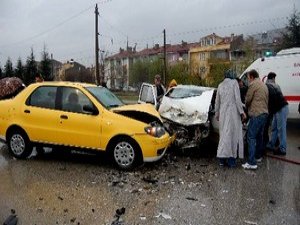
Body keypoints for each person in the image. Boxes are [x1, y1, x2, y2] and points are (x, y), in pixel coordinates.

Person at [215, 70, 246, 167]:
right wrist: (242, 112)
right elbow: (237, 99)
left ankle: (221, 160)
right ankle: (231, 160)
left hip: (223, 113)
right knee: (232, 136)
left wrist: (217, 113)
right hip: (232, 113)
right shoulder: (234, 83)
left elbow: (217, 101)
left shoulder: (220, 85)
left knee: (223, 135)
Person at [242, 69, 269, 170]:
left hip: (256, 113)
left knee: (251, 136)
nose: (248, 80)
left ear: (252, 77)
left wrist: (245, 107)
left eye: (248, 78)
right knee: (259, 136)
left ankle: (251, 162)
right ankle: (258, 156)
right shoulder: (263, 85)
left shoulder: (253, 84)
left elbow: (248, 99)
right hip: (264, 113)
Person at [265, 72, 289, 155]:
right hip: (279, 109)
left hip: (281, 108)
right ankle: (271, 144)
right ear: (273, 78)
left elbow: (270, 101)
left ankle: (282, 148)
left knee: (281, 129)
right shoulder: (274, 85)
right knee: (274, 128)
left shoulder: (267, 86)